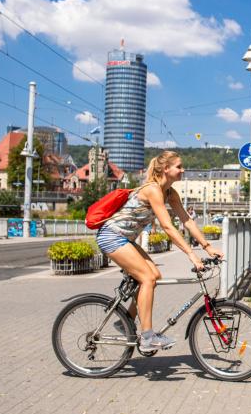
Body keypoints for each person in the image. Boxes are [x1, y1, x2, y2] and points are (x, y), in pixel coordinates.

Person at [95, 150, 224, 351]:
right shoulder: (153, 190)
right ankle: (147, 338)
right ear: (166, 169)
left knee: (154, 275)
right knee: (148, 278)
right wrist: (191, 255)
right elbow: (167, 226)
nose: (183, 170)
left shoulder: (170, 193)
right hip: (112, 236)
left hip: (124, 238)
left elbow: (186, 220)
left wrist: (207, 247)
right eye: (179, 166)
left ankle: (125, 320)